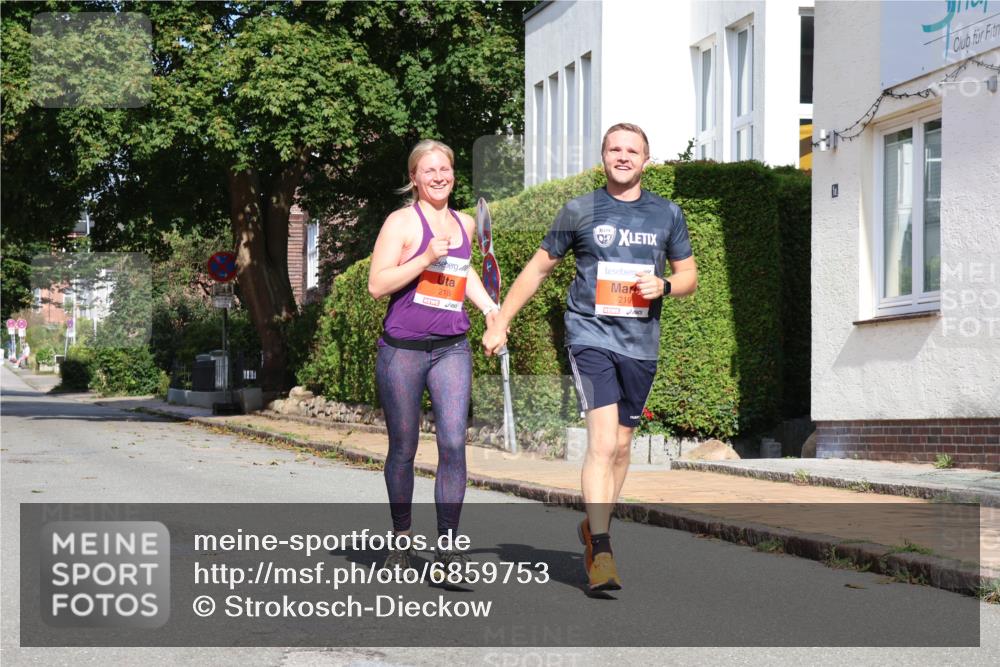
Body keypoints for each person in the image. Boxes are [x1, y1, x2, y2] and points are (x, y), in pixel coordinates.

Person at [482, 123, 698, 592]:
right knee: (602, 443)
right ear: (603, 157)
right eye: (614, 149)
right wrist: (501, 320)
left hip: (641, 344)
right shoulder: (578, 210)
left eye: (632, 150)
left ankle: (595, 527)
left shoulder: (668, 214)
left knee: (622, 447)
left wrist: (663, 285)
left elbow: (689, 277)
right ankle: (601, 550)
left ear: (646, 159)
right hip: (590, 336)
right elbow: (538, 268)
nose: (623, 157)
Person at [368, 139, 499, 575]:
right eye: (429, 170)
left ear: (453, 175)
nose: (439, 176)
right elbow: (377, 285)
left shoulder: (463, 222)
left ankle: (448, 546)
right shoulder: (401, 222)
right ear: (414, 178)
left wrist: (490, 310)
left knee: (453, 444)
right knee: (403, 449)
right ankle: (401, 538)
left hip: (451, 349)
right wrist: (425, 256)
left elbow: (466, 275)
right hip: (402, 350)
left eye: (445, 169)